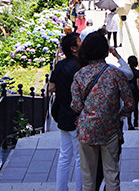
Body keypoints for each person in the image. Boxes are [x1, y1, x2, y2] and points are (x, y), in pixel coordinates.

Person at [71, 31, 134, 191]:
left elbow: (76, 106)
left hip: (86, 130)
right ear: (105, 51)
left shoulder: (80, 75)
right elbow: (129, 102)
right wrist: (119, 114)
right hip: (110, 129)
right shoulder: (114, 73)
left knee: (88, 179)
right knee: (112, 175)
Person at [49, 32, 82, 191]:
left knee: (64, 156)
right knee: (79, 158)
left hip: (62, 114)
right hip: (77, 116)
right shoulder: (82, 65)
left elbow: (50, 87)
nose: (82, 43)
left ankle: (61, 189)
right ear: (74, 48)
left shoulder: (60, 65)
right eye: (79, 41)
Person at [126, 56, 139, 130]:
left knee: (129, 107)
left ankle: (129, 124)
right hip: (135, 91)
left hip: (128, 91)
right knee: (135, 107)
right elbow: (138, 84)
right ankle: (135, 123)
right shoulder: (137, 72)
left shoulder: (127, 72)